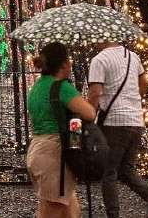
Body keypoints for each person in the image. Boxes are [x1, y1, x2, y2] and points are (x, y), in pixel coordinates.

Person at [87, 41, 148, 218]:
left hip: (113, 123)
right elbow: (144, 82)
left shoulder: (99, 60)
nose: (93, 42)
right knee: (126, 169)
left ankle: (113, 214)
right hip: (135, 119)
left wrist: (88, 116)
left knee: (108, 172)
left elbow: (95, 93)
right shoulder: (132, 56)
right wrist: (131, 100)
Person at [26, 43, 97, 218]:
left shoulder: (37, 86)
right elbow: (89, 113)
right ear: (64, 64)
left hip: (37, 149)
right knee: (52, 210)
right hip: (55, 154)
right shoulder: (61, 88)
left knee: (70, 210)